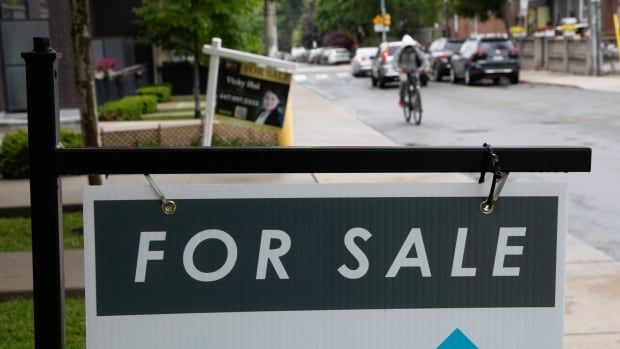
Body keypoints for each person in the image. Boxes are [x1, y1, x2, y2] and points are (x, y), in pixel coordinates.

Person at [394, 34, 430, 107]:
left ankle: (415, 98)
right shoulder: (400, 51)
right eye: (407, 46)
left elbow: (423, 59)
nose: (409, 48)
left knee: (416, 81)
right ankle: (402, 98)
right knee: (404, 81)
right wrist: (397, 68)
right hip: (403, 70)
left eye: (410, 46)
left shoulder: (415, 50)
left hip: (414, 70)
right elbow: (395, 61)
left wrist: (426, 67)